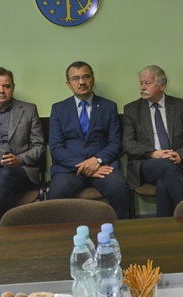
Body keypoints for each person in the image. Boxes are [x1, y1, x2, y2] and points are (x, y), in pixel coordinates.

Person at [47, 61, 130, 218]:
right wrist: (86, 166)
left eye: (86, 77)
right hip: (69, 169)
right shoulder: (58, 109)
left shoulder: (108, 106)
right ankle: (58, 234)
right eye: (75, 78)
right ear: (68, 84)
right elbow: (56, 148)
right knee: (54, 196)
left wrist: (97, 160)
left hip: (103, 165)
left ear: (93, 79)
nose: (82, 82)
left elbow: (115, 143)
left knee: (120, 190)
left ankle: (119, 231)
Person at [0, 67, 46, 227]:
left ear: (13, 87)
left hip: (21, 172)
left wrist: (19, 159)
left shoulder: (28, 110)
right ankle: (9, 234)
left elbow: (39, 146)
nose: (1, 90)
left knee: (4, 175)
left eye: (6, 86)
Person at [123, 65, 183, 216]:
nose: (142, 88)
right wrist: (153, 153)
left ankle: (167, 226)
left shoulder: (181, 106)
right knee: (166, 165)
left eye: (147, 83)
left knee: (163, 185)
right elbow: (128, 144)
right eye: (141, 83)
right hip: (146, 164)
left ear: (162, 86)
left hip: (176, 164)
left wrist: (180, 155)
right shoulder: (132, 110)